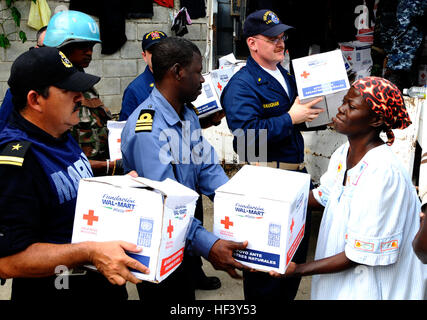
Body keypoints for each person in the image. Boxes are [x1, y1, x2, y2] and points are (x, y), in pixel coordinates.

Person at [0, 47, 149, 300]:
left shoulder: (59, 130)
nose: (80, 97)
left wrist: (116, 186)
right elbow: (8, 261)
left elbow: (68, 180)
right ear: (35, 100)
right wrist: (89, 252)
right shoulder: (16, 161)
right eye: (69, 91)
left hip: (101, 277)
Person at [271, 76, 427, 299]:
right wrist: (271, 201)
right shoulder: (344, 153)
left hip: (371, 284)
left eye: (351, 106)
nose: (341, 109)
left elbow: (360, 254)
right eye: (344, 101)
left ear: (375, 120)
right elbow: (326, 196)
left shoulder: (382, 172)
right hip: (342, 277)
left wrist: (299, 270)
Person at [120, 37, 249, 300]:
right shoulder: (148, 130)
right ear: (177, 72)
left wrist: (237, 206)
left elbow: (206, 166)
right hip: (159, 247)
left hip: (184, 238)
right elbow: (163, 205)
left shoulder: (186, 114)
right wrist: (208, 244)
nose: (203, 80)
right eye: (198, 71)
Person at [220, 9, 323, 301]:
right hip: (266, 183)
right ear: (252, 43)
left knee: (291, 264)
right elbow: (247, 139)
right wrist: (290, 118)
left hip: (295, 179)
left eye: (282, 37)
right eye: (272, 38)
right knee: (265, 276)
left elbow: (295, 117)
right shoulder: (241, 86)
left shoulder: (283, 74)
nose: (281, 43)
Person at [43, 10, 122, 176]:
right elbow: (53, 157)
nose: (90, 52)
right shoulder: (45, 90)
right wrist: (108, 166)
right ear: (62, 45)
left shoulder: (86, 86)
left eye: (91, 46)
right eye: (82, 46)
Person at [0, 25, 47, 132]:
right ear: (37, 49)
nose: (52, 53)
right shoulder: (24, 80)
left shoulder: (74, 79)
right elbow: (3, 122)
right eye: (47, 48)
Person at [119, 30, 168, 122]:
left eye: (162, 50)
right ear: (144, 56)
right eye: (152, 51)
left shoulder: (180, 81)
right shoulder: (134, 90)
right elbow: (125, 128)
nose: (157, 54)